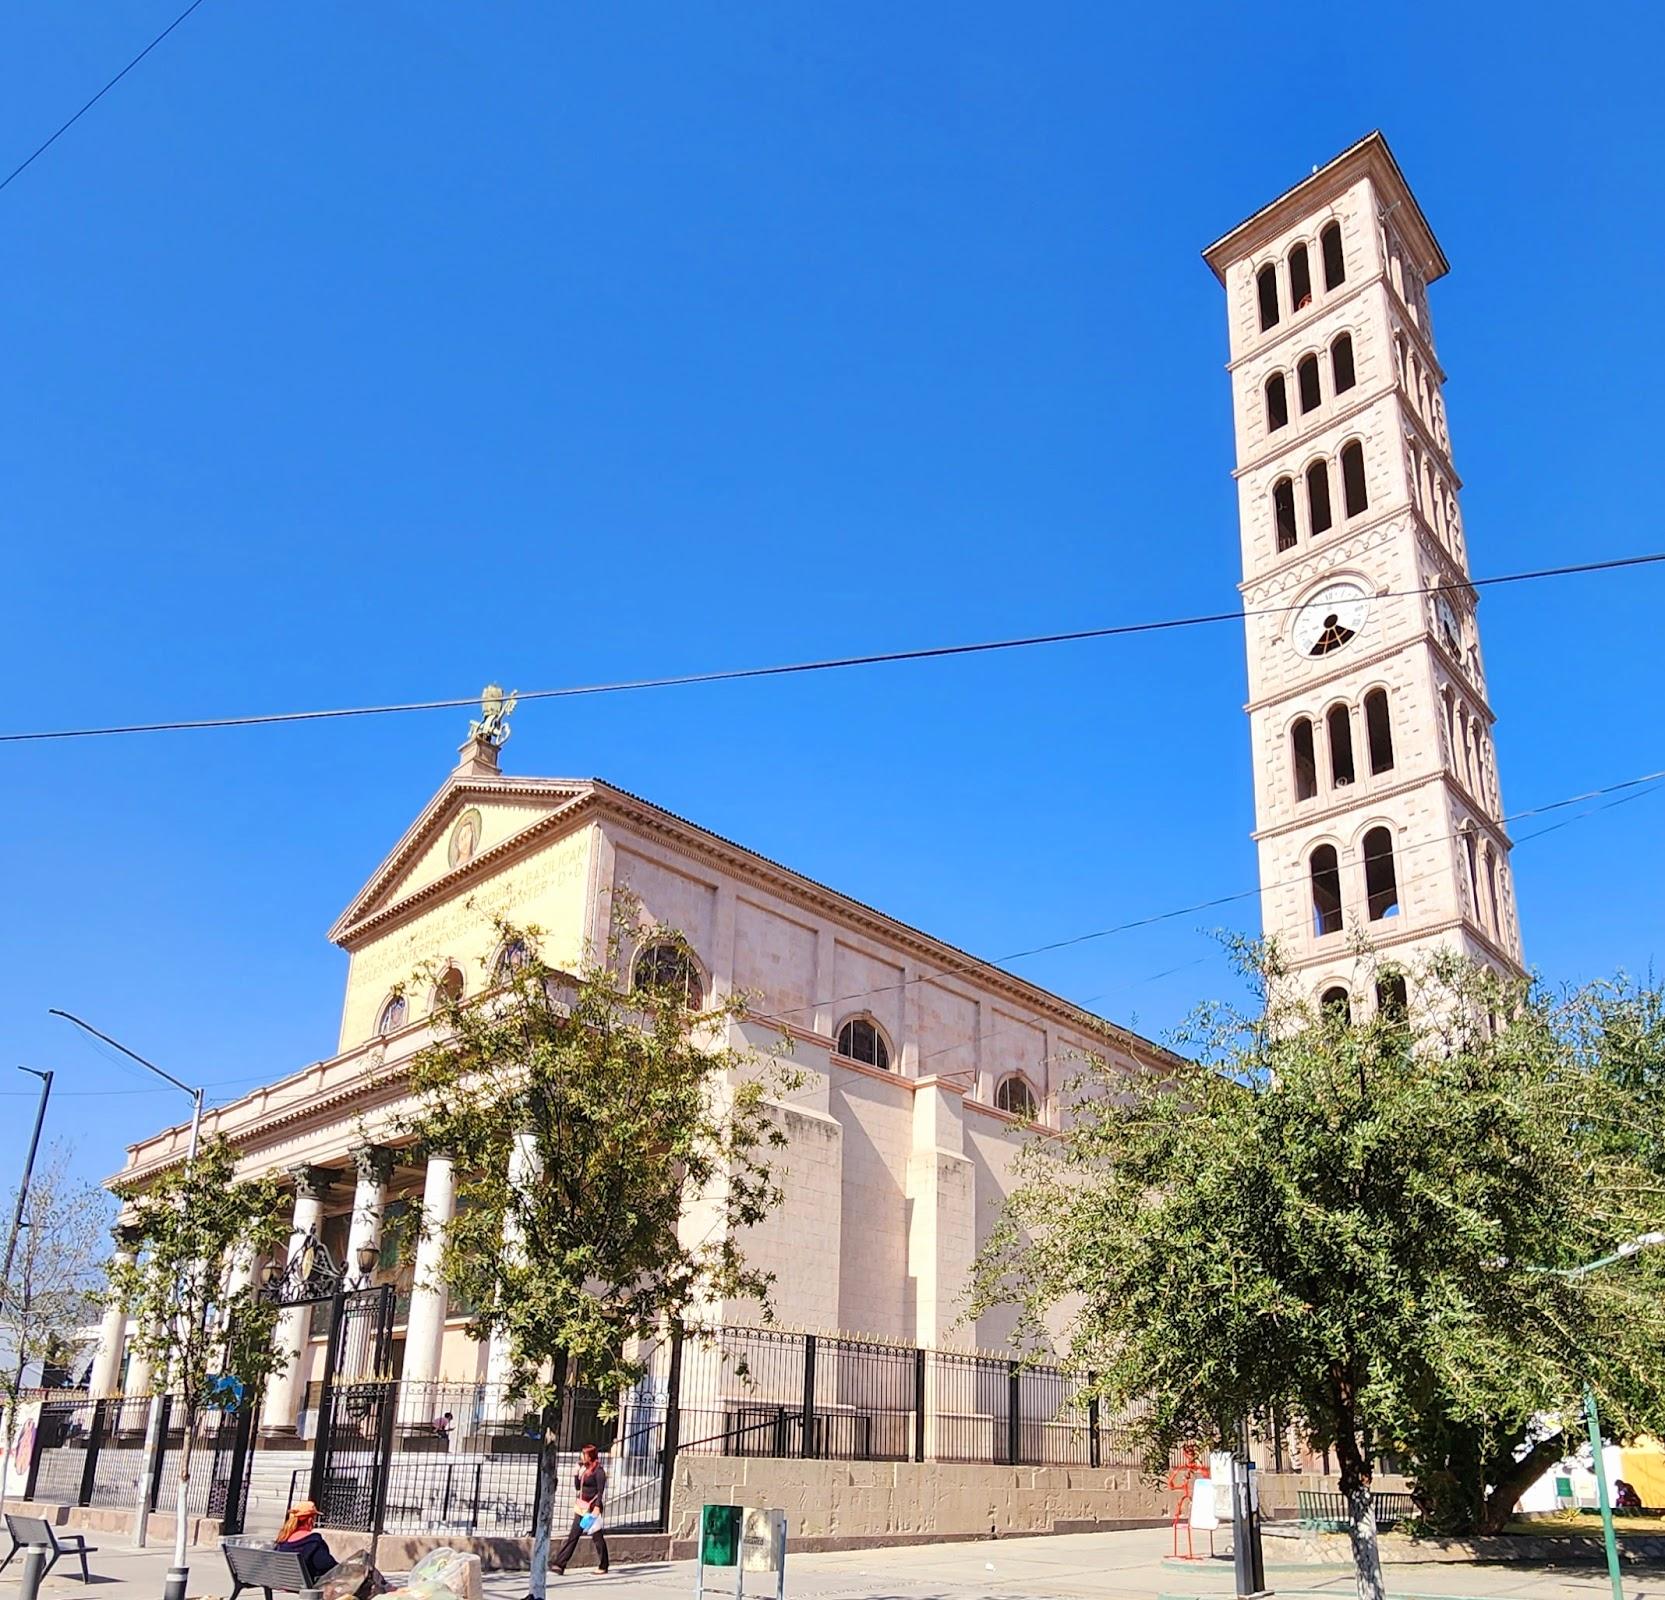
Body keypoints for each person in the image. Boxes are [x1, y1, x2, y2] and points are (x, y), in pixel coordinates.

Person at [551, 1444, 609, 1576]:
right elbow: (578, 1487)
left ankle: (604, 1564)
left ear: (590, 1456)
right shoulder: (584, 1469)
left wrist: (597, 1508)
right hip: (582, 1507)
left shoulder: (599, 1471)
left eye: (584, 1454)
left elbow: (600, 1492)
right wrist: (576, 1473)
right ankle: (560, 1564)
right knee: (574, 1535)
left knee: (597, 1537)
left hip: (592, 1508)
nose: (582, 1457)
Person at [274, 1502, 337, 1587]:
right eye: (315, 1517)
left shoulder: (283, 1539)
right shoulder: (313, 1541)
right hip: (305, 1587)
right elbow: (327, 1565)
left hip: (284, 1584)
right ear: (310, 1520)